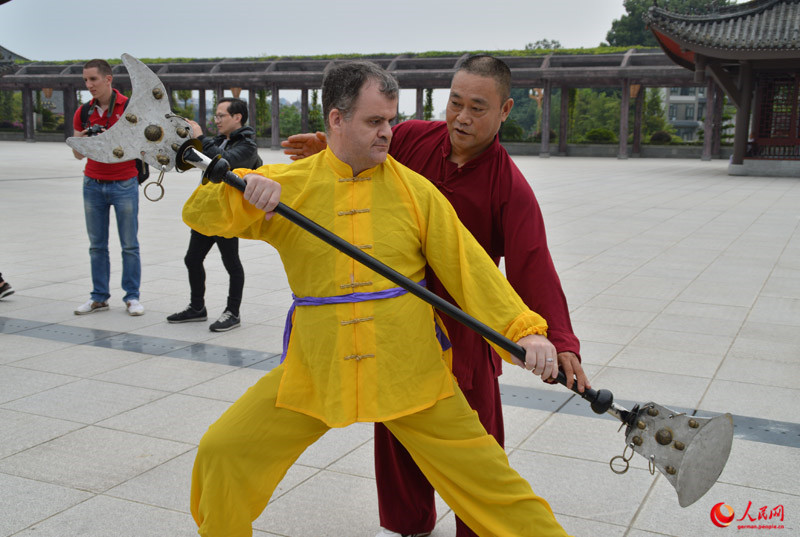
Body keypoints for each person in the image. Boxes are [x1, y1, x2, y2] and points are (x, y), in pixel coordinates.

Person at [185, 60, 572, 537]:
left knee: (495, 487)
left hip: (409, 371)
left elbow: (470, 269)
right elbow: (201, 216)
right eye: (374, 121)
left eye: (391, 119)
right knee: (223, 450)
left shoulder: (416, 192)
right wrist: (241, 191)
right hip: (317, 367)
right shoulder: (292, 188)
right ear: (336, 121)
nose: (388, 132)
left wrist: (527, 332)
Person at [167, 97, 260, 332]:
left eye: (221, 116)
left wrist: (199, 138)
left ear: (237, 118)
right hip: (206, 211)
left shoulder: (248, 145)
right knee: (192, 259)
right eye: (216, 116)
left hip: (226, 215)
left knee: (231, 263)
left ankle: (233, 312)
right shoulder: (219, 140)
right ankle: (197, 308)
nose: (215, 120)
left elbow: (221, 162)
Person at [70, 59, 144, 317]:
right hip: (92, 183)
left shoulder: (129, 107)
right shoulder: (84, 112)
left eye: (93, 79)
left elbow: (141, 144)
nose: (89, 85)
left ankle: (132, 297)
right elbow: (78, 155)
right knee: (96, 245)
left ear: (108, 79)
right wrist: (87, 140)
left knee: (129, 245)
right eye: (86, 80)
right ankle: (98, 297)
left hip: (124, 182)